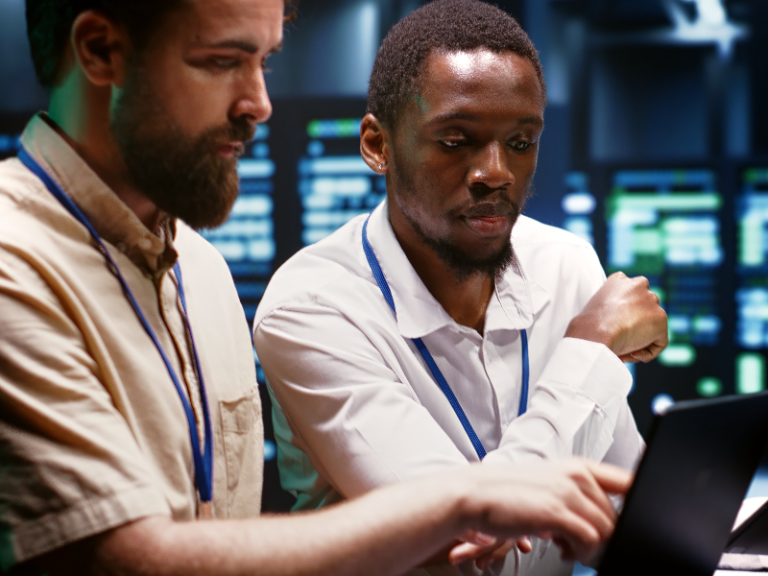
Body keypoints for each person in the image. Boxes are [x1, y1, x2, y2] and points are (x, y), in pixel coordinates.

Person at [0, 0, 634, 575]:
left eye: (265, 63)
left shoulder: (199, 268)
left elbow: (215, 532)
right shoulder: (13, 261)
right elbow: (119, 559)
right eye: (222, 61)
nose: (258, 104)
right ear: (101, 51)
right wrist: (462, 495)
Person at [253, 1, 668, 574]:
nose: (496, 172)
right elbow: (465, 536)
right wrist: (590, 348)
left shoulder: (567, 264)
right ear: (377, 145)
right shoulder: (311, 307)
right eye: (456, 141)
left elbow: (618, 512)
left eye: (521, 142)